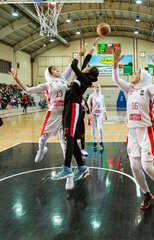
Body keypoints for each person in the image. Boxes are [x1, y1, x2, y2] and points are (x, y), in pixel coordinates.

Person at [112, 47, 154, 210]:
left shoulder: (148, 89)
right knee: (134, 167)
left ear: (143, 77)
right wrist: (115, 64)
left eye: (136, 72)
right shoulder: (129, 88)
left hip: (147, 131)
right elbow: (116, 80)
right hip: (132, 132)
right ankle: (147, 194)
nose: (133, 74)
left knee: (147, 166)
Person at [9, 58, 75, 189]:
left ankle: (69, 177)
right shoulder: (47, 84)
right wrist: (16, 79)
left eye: (57, 69)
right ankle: (41, 150)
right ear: (50, 73)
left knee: (65, 146)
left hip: (64, 115)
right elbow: (28, 89)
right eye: (55, 69)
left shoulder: (64, 79)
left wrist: (80, 54)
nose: (58, 70)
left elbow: (71, 67)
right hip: (52, 113)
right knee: (42, 138)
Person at [51, 38, 100, 181]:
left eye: (89, 67)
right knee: (69, 138)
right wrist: (92, 47)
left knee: (70, 137)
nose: (87, 66)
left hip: (74, 106)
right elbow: (86, 61)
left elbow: (74, 65)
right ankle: (82, 166)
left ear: (89, 73)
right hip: (68, 106)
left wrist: (78, 54)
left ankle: (66, 167)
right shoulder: (83, 74)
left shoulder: (85, 79)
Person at [88, 84, 107, 150]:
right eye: (95, 87)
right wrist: (89, 114)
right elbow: (87, 104)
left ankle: (101, 141)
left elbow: (103, 105)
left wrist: (105, 113)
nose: (97, 88)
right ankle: (94, 142)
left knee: (100, 128)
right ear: (94, 88)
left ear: (100, 88)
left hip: (100, 114)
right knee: (93, 128)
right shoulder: (91, 96)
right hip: (93, 114)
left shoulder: (102, 96)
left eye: (98, 87)